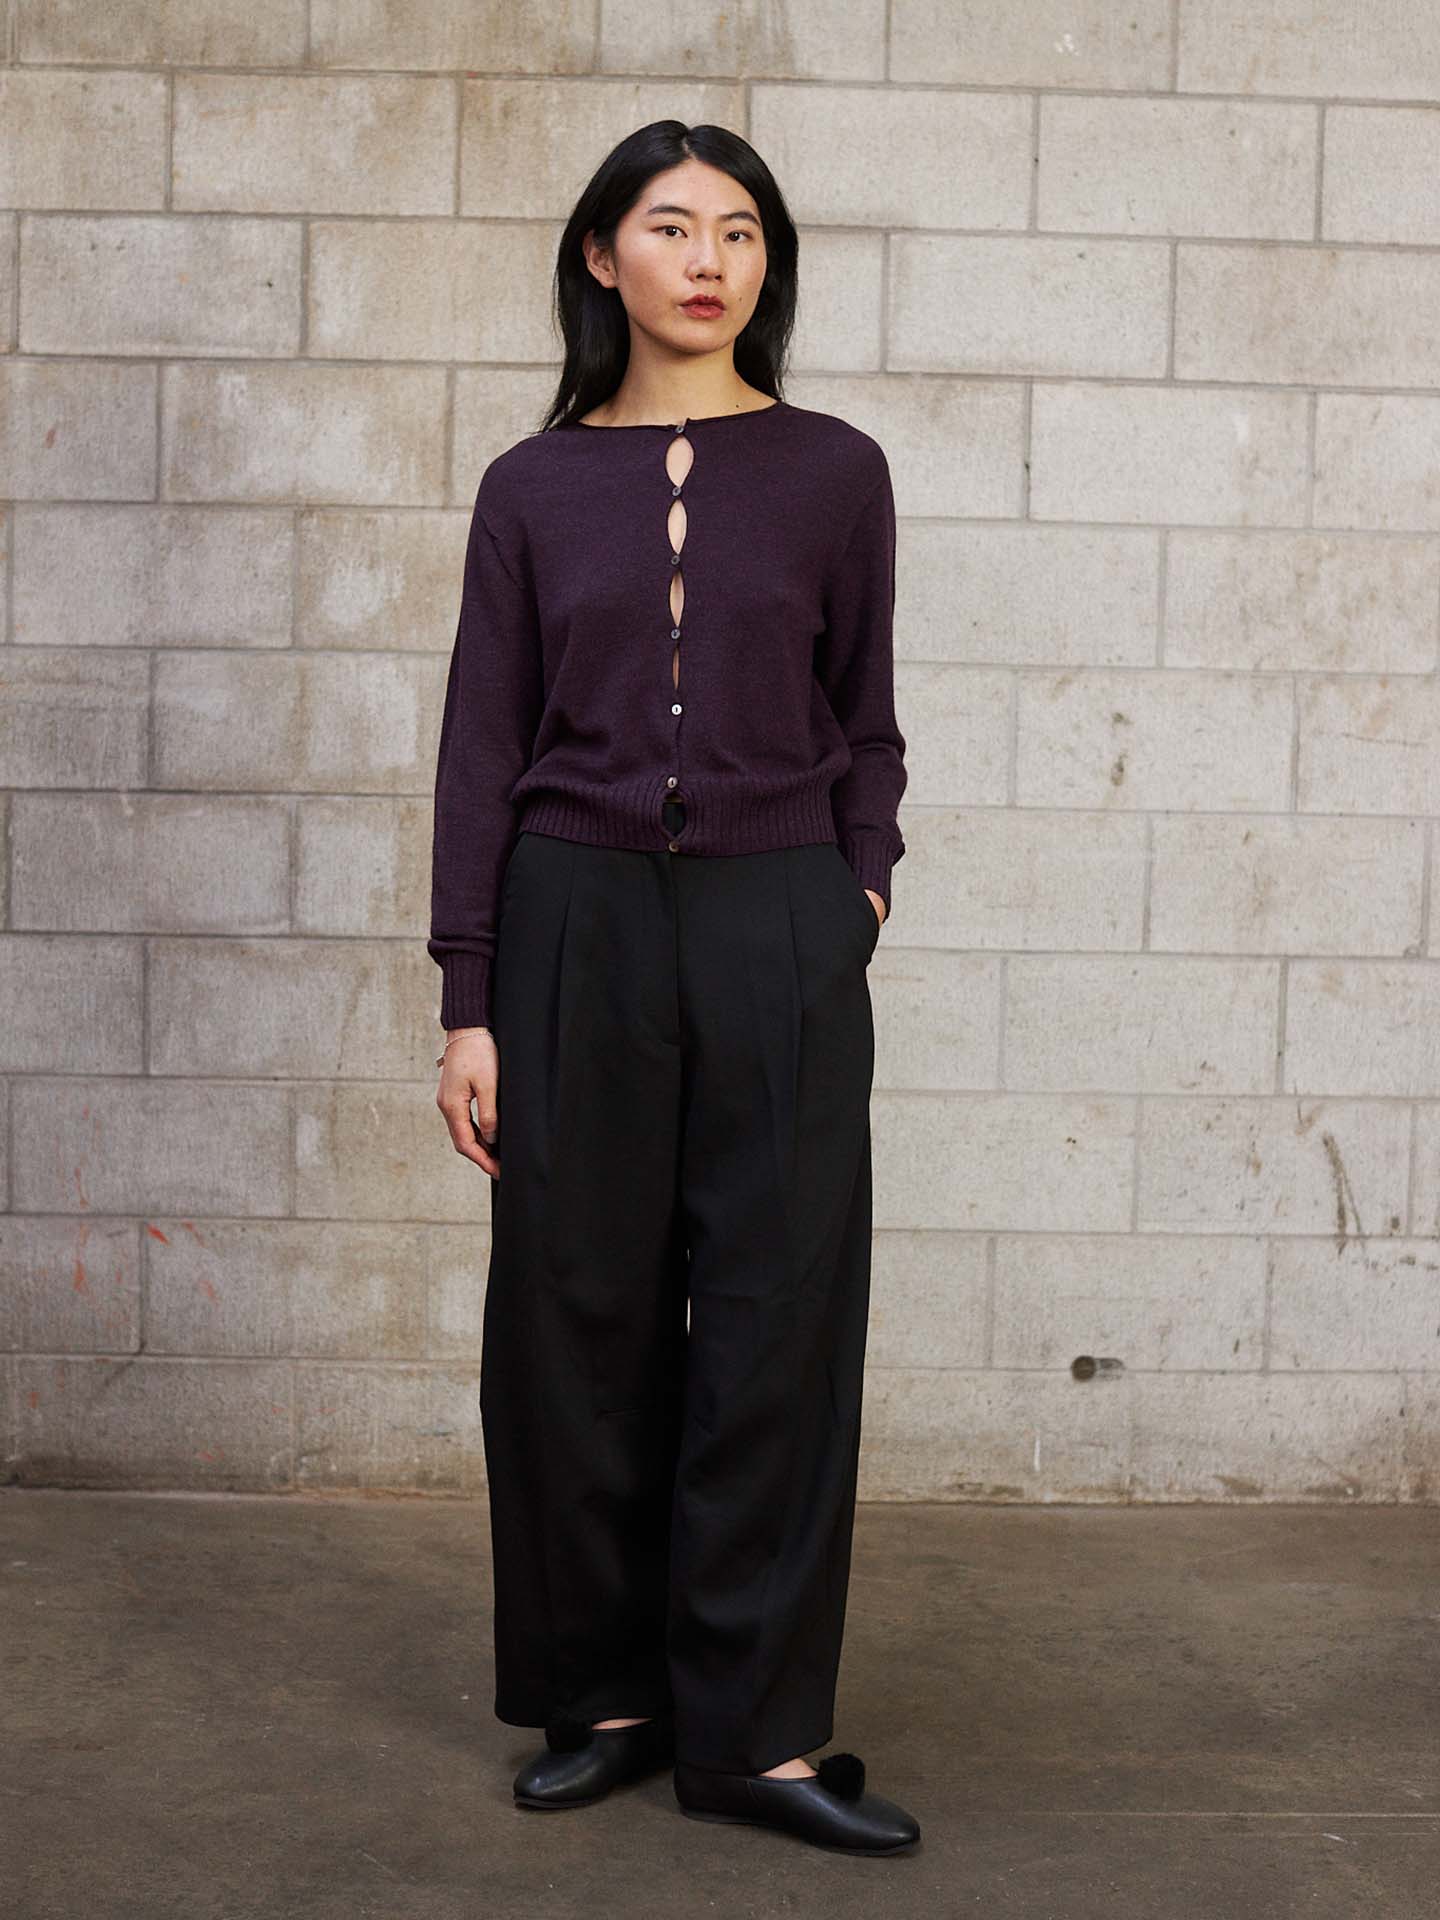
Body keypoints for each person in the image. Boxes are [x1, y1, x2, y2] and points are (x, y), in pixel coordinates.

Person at [428, 119, 920, 1857]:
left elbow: (867, 711)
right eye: (669, 226)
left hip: (783, 921)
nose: (707, 258)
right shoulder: (530, 487)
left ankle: (758, 1735)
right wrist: (469, 994)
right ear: (601, 259)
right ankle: (608, 1698)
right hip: (572, 923)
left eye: (739, 232)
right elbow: (482, 749)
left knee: (780, 1319)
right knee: (573, 1321)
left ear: (764, 267)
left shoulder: (837, 469)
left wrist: (858, 877)